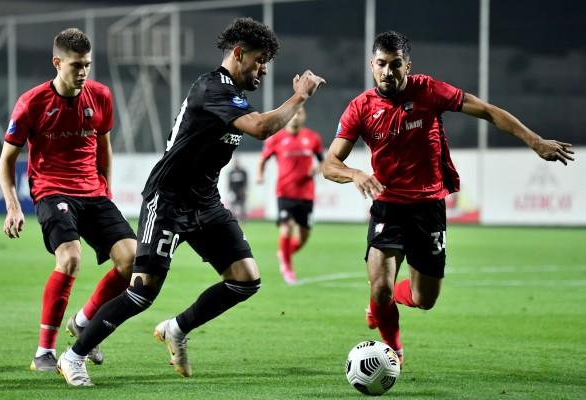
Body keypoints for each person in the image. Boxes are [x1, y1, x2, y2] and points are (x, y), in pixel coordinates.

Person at [57, 17, 325, 387]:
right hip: (168, 200)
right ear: (238, 54)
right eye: (260, 60)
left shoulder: (234, 96)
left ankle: (177, 328)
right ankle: (73, 356)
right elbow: (262, 128)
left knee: (245, 280)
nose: (263, 69)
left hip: (205, 203)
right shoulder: (213, 87)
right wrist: (300, 96)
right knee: (142, 292)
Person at [322, 31, 574, 368]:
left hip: (428, 208)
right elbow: (329, 164)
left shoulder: (428, 91)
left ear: (407, 66)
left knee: (424, 299)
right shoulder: (360, 107)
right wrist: (355, 174)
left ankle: (380, 304)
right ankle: (394, 352)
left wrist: (535, 141)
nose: (387, 71)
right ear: (371, 65)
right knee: (380, 286)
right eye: (381, 64)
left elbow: (487, 111)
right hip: (388, 205)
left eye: (395, 64)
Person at [0, 28, 136, 373]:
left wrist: (107, 190)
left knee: (133, 260)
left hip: (93, 192)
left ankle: (84, 321)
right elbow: (6, 160)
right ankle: (44, 351)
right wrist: (13, 205)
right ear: (57, 63)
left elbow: (104, 148)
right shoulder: (32, 103)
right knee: (71, 257)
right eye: (76, 65)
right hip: (52, 190)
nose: (83, 72)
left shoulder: (101, 96)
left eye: (87, 65)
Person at [256, 107, 324, 284]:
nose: (295, 117)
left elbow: (323, 163)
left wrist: (317, 169)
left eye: (299, 113)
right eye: (292, 114)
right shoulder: (276, 138)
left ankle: (284, 253)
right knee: (286, 228)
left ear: (304, 116)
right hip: (285, 192)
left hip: (306, 194)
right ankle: (287, 268)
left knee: (303, 236)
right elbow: (263, 159)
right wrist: (260, 175)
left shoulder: (313, 138)